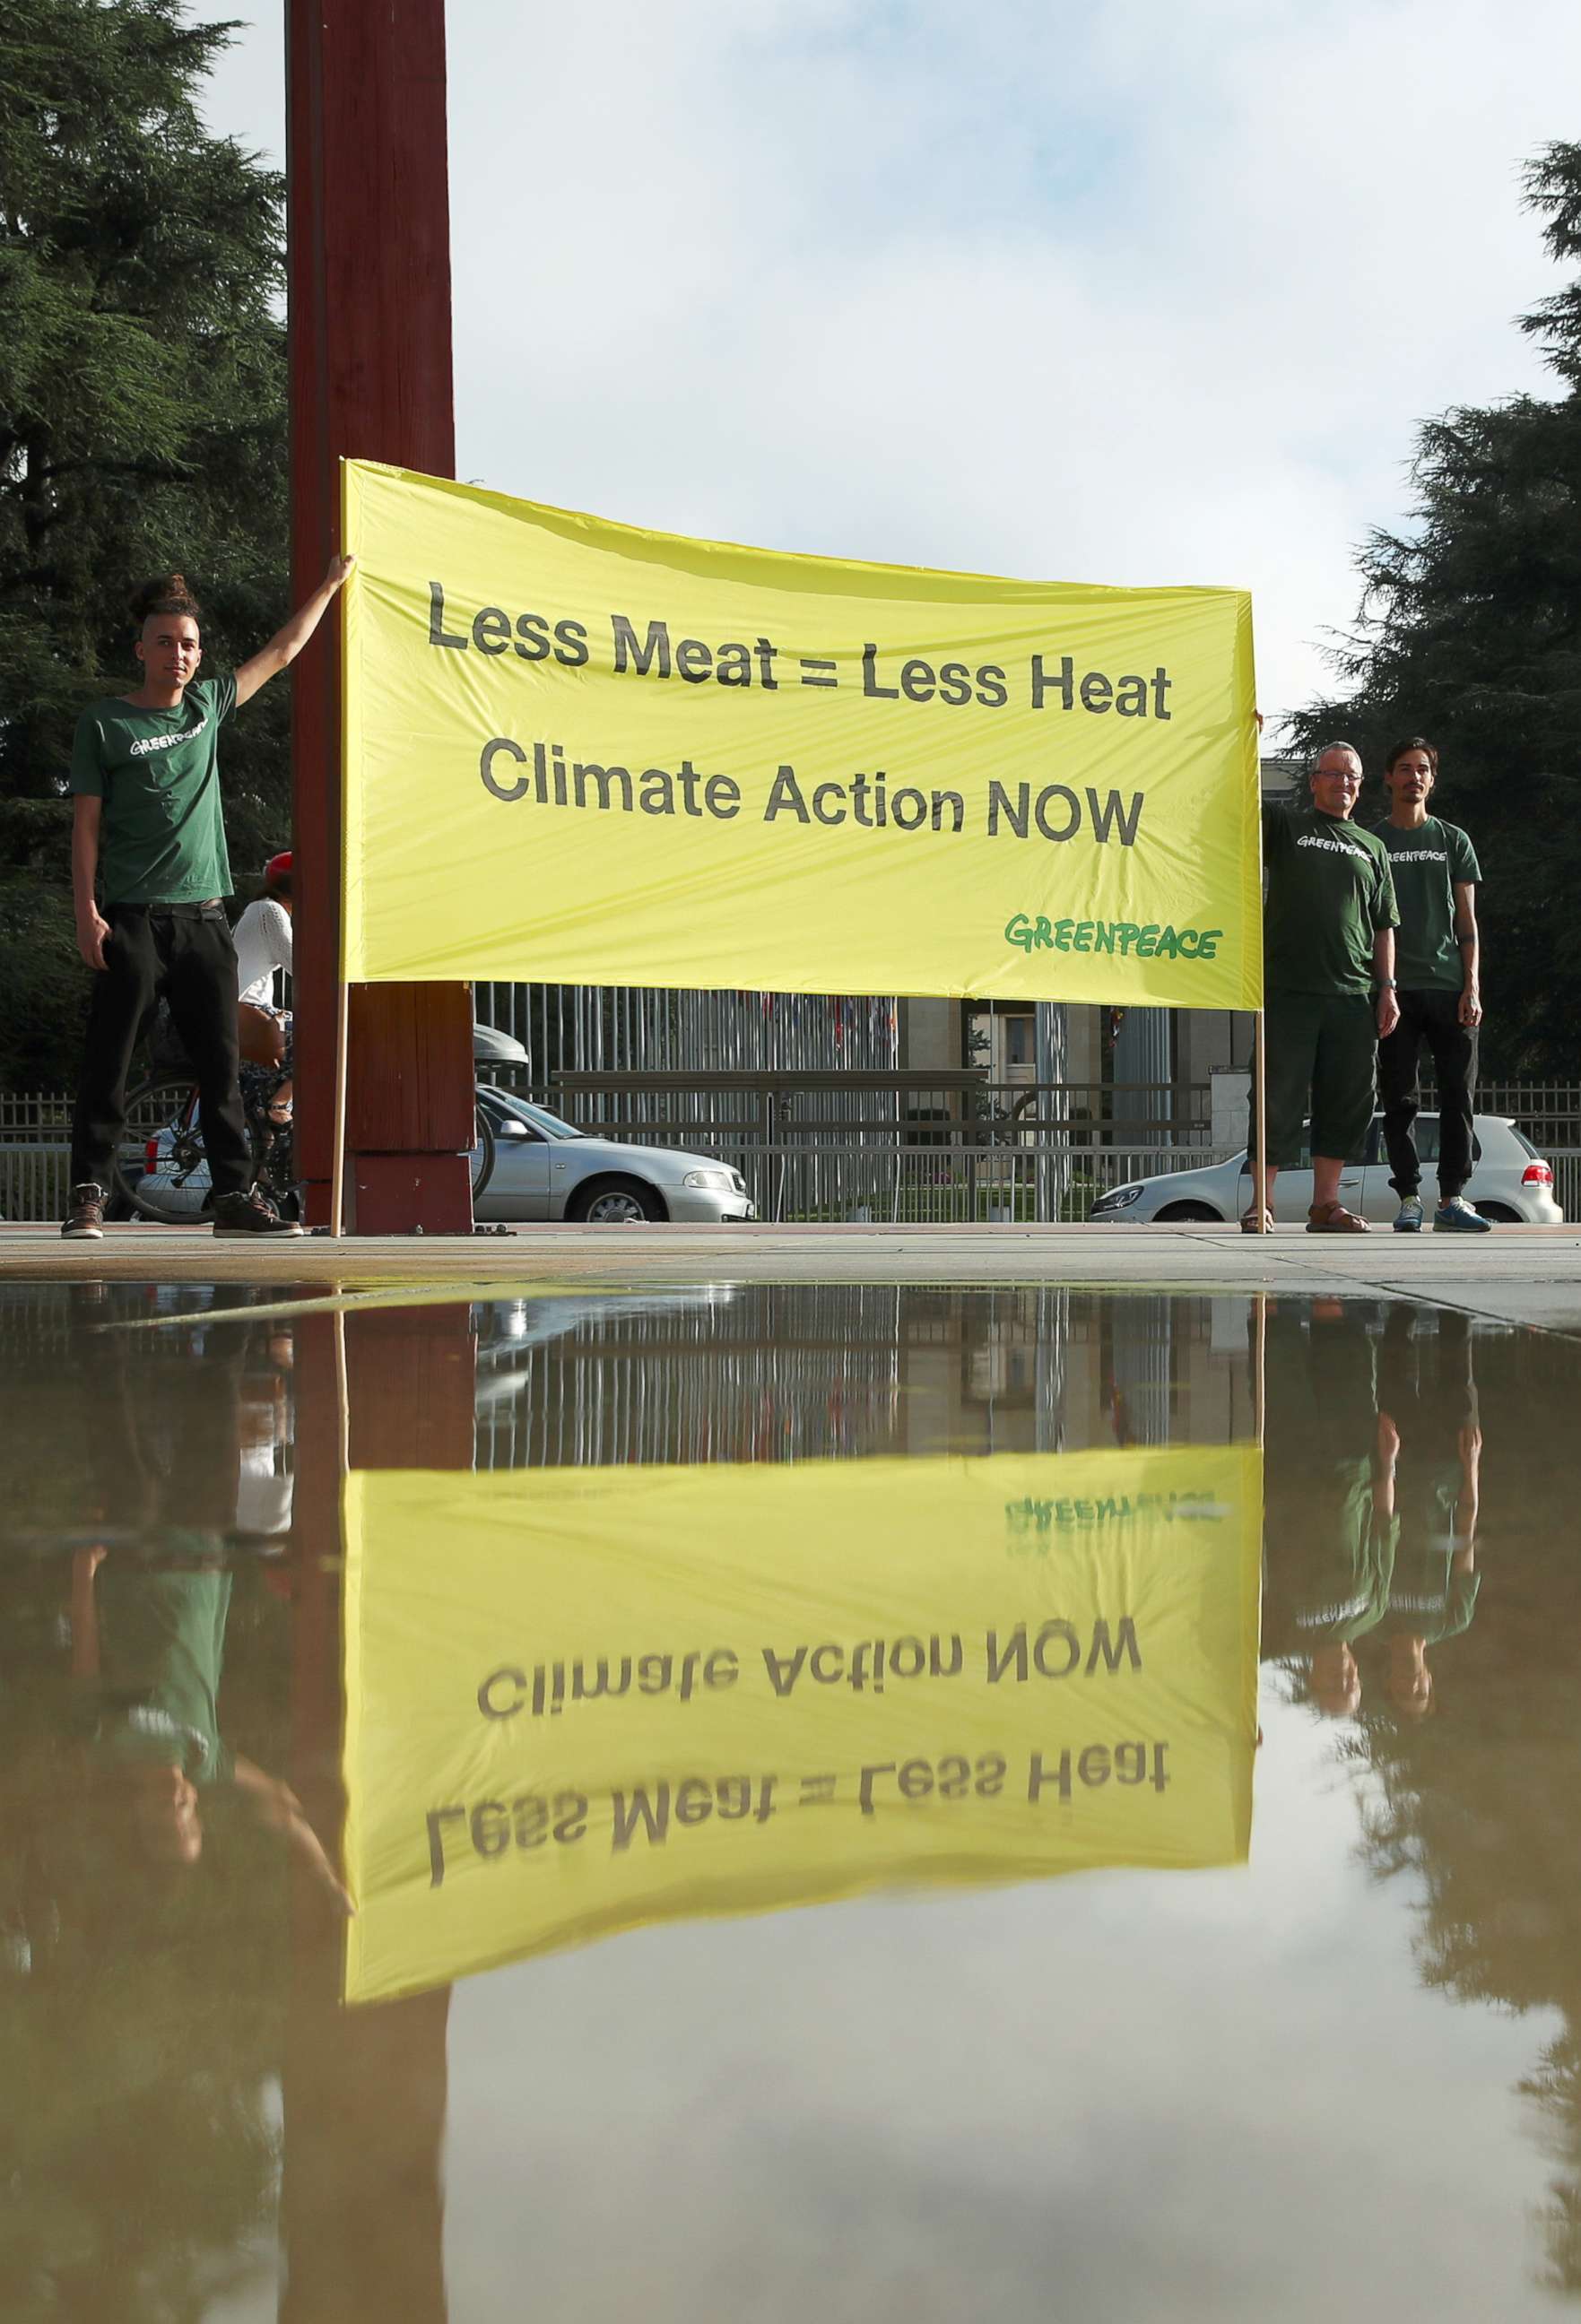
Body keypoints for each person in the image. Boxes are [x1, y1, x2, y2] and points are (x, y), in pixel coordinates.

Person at [63, 559, 352, 1240]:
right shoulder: (104, 724)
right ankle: (87, 1197)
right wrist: (86, 911)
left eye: (189, 643)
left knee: (220, 1065)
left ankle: (231, 1199)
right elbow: (86, 825)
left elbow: (281, 652)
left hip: (204, 921)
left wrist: (330, 584)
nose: (179, 654)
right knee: (109, 1059)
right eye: (165, 642)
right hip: (132, 918)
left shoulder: (207, 706)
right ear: (141, 650)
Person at [1247, 741, 1401, 1233]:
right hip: (1288, 990)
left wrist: (1388, 988)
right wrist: (1243, 735)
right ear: (1313, 781)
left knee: (1347, 1100)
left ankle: (1326, 1206)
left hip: (1353, 996)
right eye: (1333, 774)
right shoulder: (1287, 826)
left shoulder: (1373, 847)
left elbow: (1384, 927)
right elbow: (1237, 797)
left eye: (1352, 776)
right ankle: (1261, 1204)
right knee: (1276, 1099)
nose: (1343, 783)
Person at [1374, 736, 1489, 1233]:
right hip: (1394, 991)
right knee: (1399, 1098)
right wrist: (1382, 987)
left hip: (1449, 986)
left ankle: (1452, 1198)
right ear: (1389, 778)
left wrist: (1473, 985)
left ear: (1432, 779)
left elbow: (1467, 920)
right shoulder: (1372, 841)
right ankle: (1408, 1199)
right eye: (1404, 768)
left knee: (1457, 1096)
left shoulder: (1452, 840)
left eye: (1422, 769)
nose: (1414, 776)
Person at [235, 849, 294, 1132]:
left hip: (238, 1015)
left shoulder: (256, 908)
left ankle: (262, 1171)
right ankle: (281, 1104)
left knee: (257, 1105)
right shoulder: (271, 912)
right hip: (249, 1017)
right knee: (328, 1039)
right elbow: (302, 965)